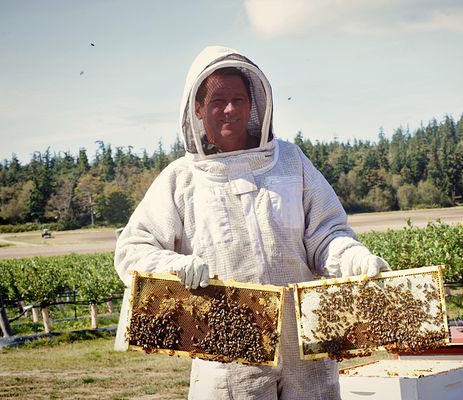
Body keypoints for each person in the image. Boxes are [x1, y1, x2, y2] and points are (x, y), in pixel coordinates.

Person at [114, 45, 390, 400]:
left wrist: (353, 257)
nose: (230, 110)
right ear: (197, 108)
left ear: (254, 104)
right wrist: (174, 266)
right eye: (217, 101)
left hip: (307, 350)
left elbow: (326, 234)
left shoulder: (291, 162)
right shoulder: (181, 179)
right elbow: (133, 250)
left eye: (239, 99)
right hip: (227, 356)